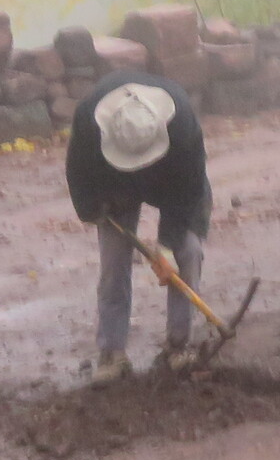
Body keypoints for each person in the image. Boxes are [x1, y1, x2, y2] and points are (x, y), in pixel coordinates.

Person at [65, 66, 209, 382]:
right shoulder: (89, 119)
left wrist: (167, 247)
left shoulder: (183, 125)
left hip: (172, 179)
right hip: (114, 182)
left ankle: (178, 345)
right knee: (113, 262)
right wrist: (92, 210)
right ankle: (112, 353)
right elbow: (77, 173)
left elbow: (189, 191)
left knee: (188, 253)